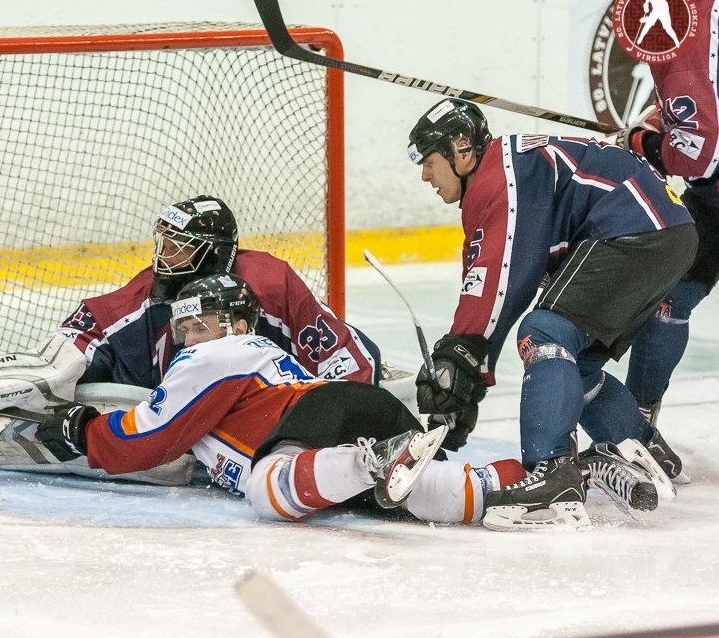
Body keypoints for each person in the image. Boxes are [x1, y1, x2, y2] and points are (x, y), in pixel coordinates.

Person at [36, 271, 530, 526]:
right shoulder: (253, 349)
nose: (189, 338)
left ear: (239, 324)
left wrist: (84, 431)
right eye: (182, 328)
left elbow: (153, 435)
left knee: (266, 489)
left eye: (198, 324)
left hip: (312, 419)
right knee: (427, 494)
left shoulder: (216, 355)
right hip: (353, 410)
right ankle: (534, 485)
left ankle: (370, 461)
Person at [405, 98, 696, 529]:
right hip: (667, 234)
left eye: (428, 160)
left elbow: (502, 280)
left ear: (461, 151)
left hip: (636, 228)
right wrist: (473, 377)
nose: (425, 174)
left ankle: (552, 475)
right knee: (570, 367)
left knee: (544, 333)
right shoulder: (508, 171)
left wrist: (459, 358)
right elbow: (493, 285)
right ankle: (642, 446)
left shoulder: (497, 176)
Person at [58, 195, 383, 389]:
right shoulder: (152, 290)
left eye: (177, 248)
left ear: (212, 255)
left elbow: (347, 358)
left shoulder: (270, 284)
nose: (163, 258)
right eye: (164, 245)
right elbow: (97, 322)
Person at [614, 0, 719, 438]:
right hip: (713, 198)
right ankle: (636, 424)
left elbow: (699, 156)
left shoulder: (692, 32)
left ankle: (633, 425)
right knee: (669, 300)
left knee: (669, 302)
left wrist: (641, 143)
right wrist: (659, 121)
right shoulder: (697, 8)